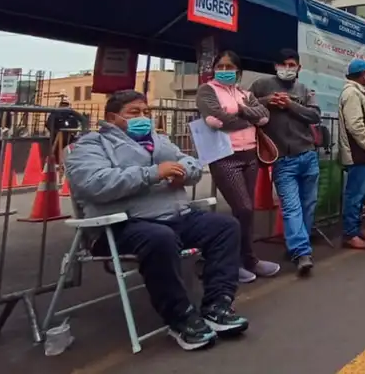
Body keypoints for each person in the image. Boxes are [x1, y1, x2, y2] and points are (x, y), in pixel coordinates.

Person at [66, 90, 247, 351]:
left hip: (175, 217)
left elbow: (191, 162)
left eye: (146, 112)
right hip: (119, 225)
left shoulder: (159, 140)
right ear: (112, 117)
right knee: (160, 238)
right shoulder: (91, 145)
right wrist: (152, 174)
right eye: (134, 113)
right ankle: (181, 318)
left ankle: (218, 305)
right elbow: (93, 183)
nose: (143, 118)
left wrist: (185, 171)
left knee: (225, 227)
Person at [196, 50, 279, 283]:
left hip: (250, 154)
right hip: (225, 156)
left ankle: (248, 259)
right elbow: (217, 119)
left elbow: (264, 117)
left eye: (229, 67)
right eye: (220, 66)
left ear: (238, 71)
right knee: (243, 208)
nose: (224, 71)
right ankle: (232, 261)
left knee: (246, 209)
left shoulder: (245, 93)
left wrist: (240, 112)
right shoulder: (207, 91)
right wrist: (247, 116)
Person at [250, 48, 322, 274]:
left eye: (292, 65)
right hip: (282, 159)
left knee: (308, 204)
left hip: (308, 154)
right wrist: (268, 101)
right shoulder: (262, 85)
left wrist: (290, 104)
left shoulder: (304, 89)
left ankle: (298, 244)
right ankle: (302, 252)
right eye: (284, 64)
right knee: (291, 207)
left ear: (299, 68)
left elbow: (315, 115)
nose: (288, 69)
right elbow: (246, 106)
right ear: (275, 66)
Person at [337, 59, 365, 250]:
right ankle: (350, 233)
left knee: (359, 193)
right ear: (364, 74)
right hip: (358, 153)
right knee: (354, 194)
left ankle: (355, 229)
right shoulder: (352, 94)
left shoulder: (356, 93)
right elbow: (355, 126)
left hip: (361, 152)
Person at [45, 96, 89, 165]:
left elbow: (81, 120)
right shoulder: (55, 114)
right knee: (57, 154)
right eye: (63, 104)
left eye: (66, 104)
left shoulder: (71, 114)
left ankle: (67, 164)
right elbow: (49, 124)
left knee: (70, 152)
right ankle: (57, 164)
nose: (64, 106)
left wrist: (76, 132)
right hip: (57, 138)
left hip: (70, 138)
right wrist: (56, 132)